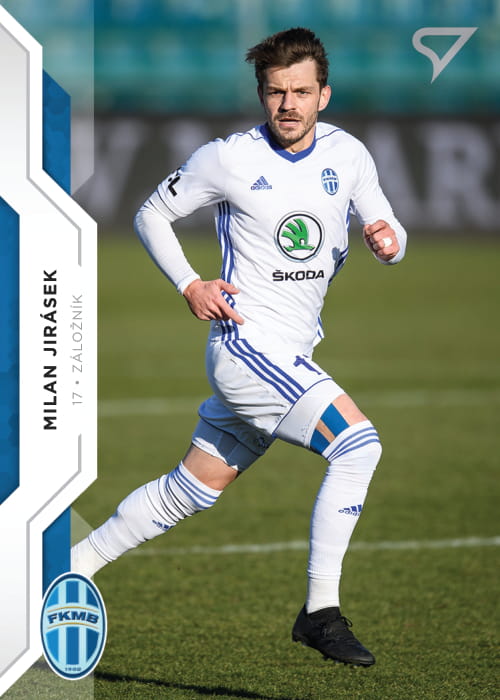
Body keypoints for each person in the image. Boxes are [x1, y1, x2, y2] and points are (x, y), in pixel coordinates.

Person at [72, 27, 407, 667]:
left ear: (324, 95)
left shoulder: (350, 155)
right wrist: (190, 283)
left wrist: (389, 243)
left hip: (291, 353)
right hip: (246, 348)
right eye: (276, 92)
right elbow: (150, 213)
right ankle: (321, 612)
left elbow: (388, 227)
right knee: (359, 445)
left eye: (301, 92)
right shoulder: (227, 158)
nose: (288, 105)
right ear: (261, 94)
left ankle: (68, 567)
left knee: (192, 488)